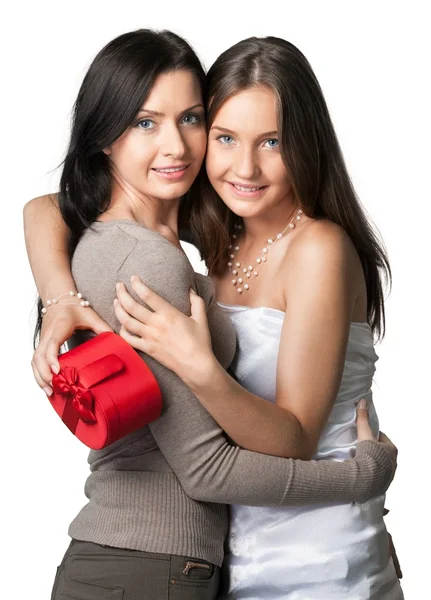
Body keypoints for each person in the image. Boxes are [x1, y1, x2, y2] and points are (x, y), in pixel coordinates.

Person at [24, 31, 397, 600]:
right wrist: (59, 299)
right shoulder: (194, 247)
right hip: (205, 557)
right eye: (226, 136)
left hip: (314, 558)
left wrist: (200, 366)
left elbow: (292, 436)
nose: (244, 165)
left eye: (272, 141)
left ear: (306, 144)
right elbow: (47, 207)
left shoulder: (287, 244)